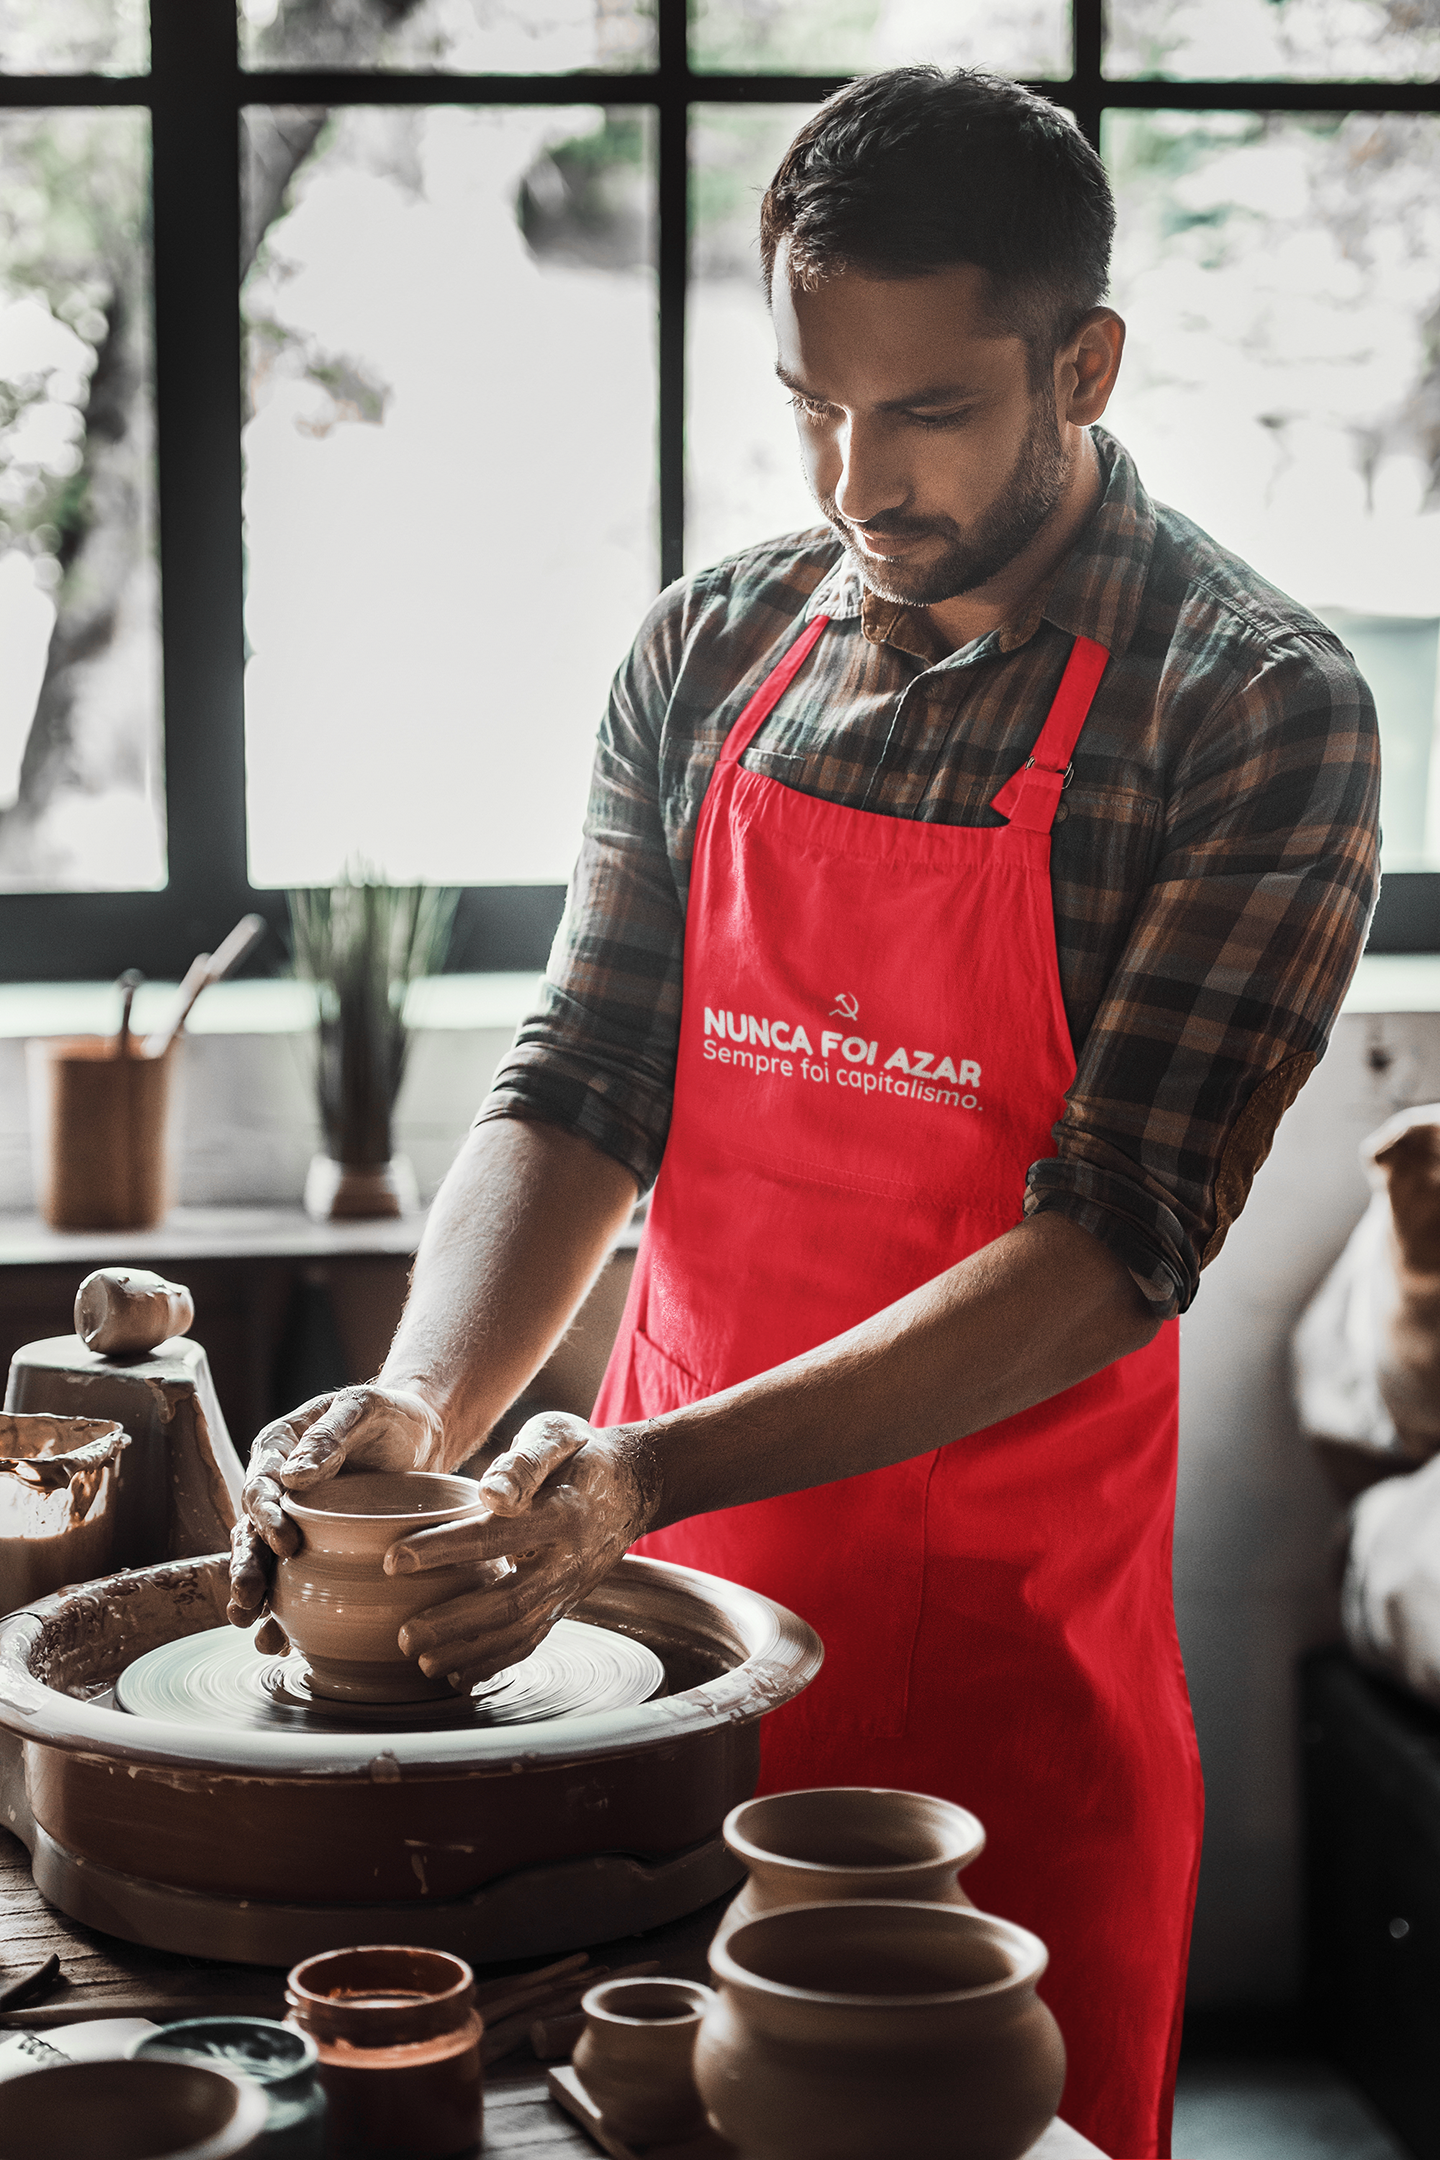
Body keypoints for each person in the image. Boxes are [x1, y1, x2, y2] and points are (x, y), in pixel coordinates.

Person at [229, 67, 1380, 2157]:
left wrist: (635, 1471)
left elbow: (1116, 1241)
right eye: (810, 404)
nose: (860, 477)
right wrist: (424, 1411)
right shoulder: (711, 648)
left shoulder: (1254, 709)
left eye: (927, 410)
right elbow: (584, 1078)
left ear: (1084, 362)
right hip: (634, 1654)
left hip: (1005, 1718)